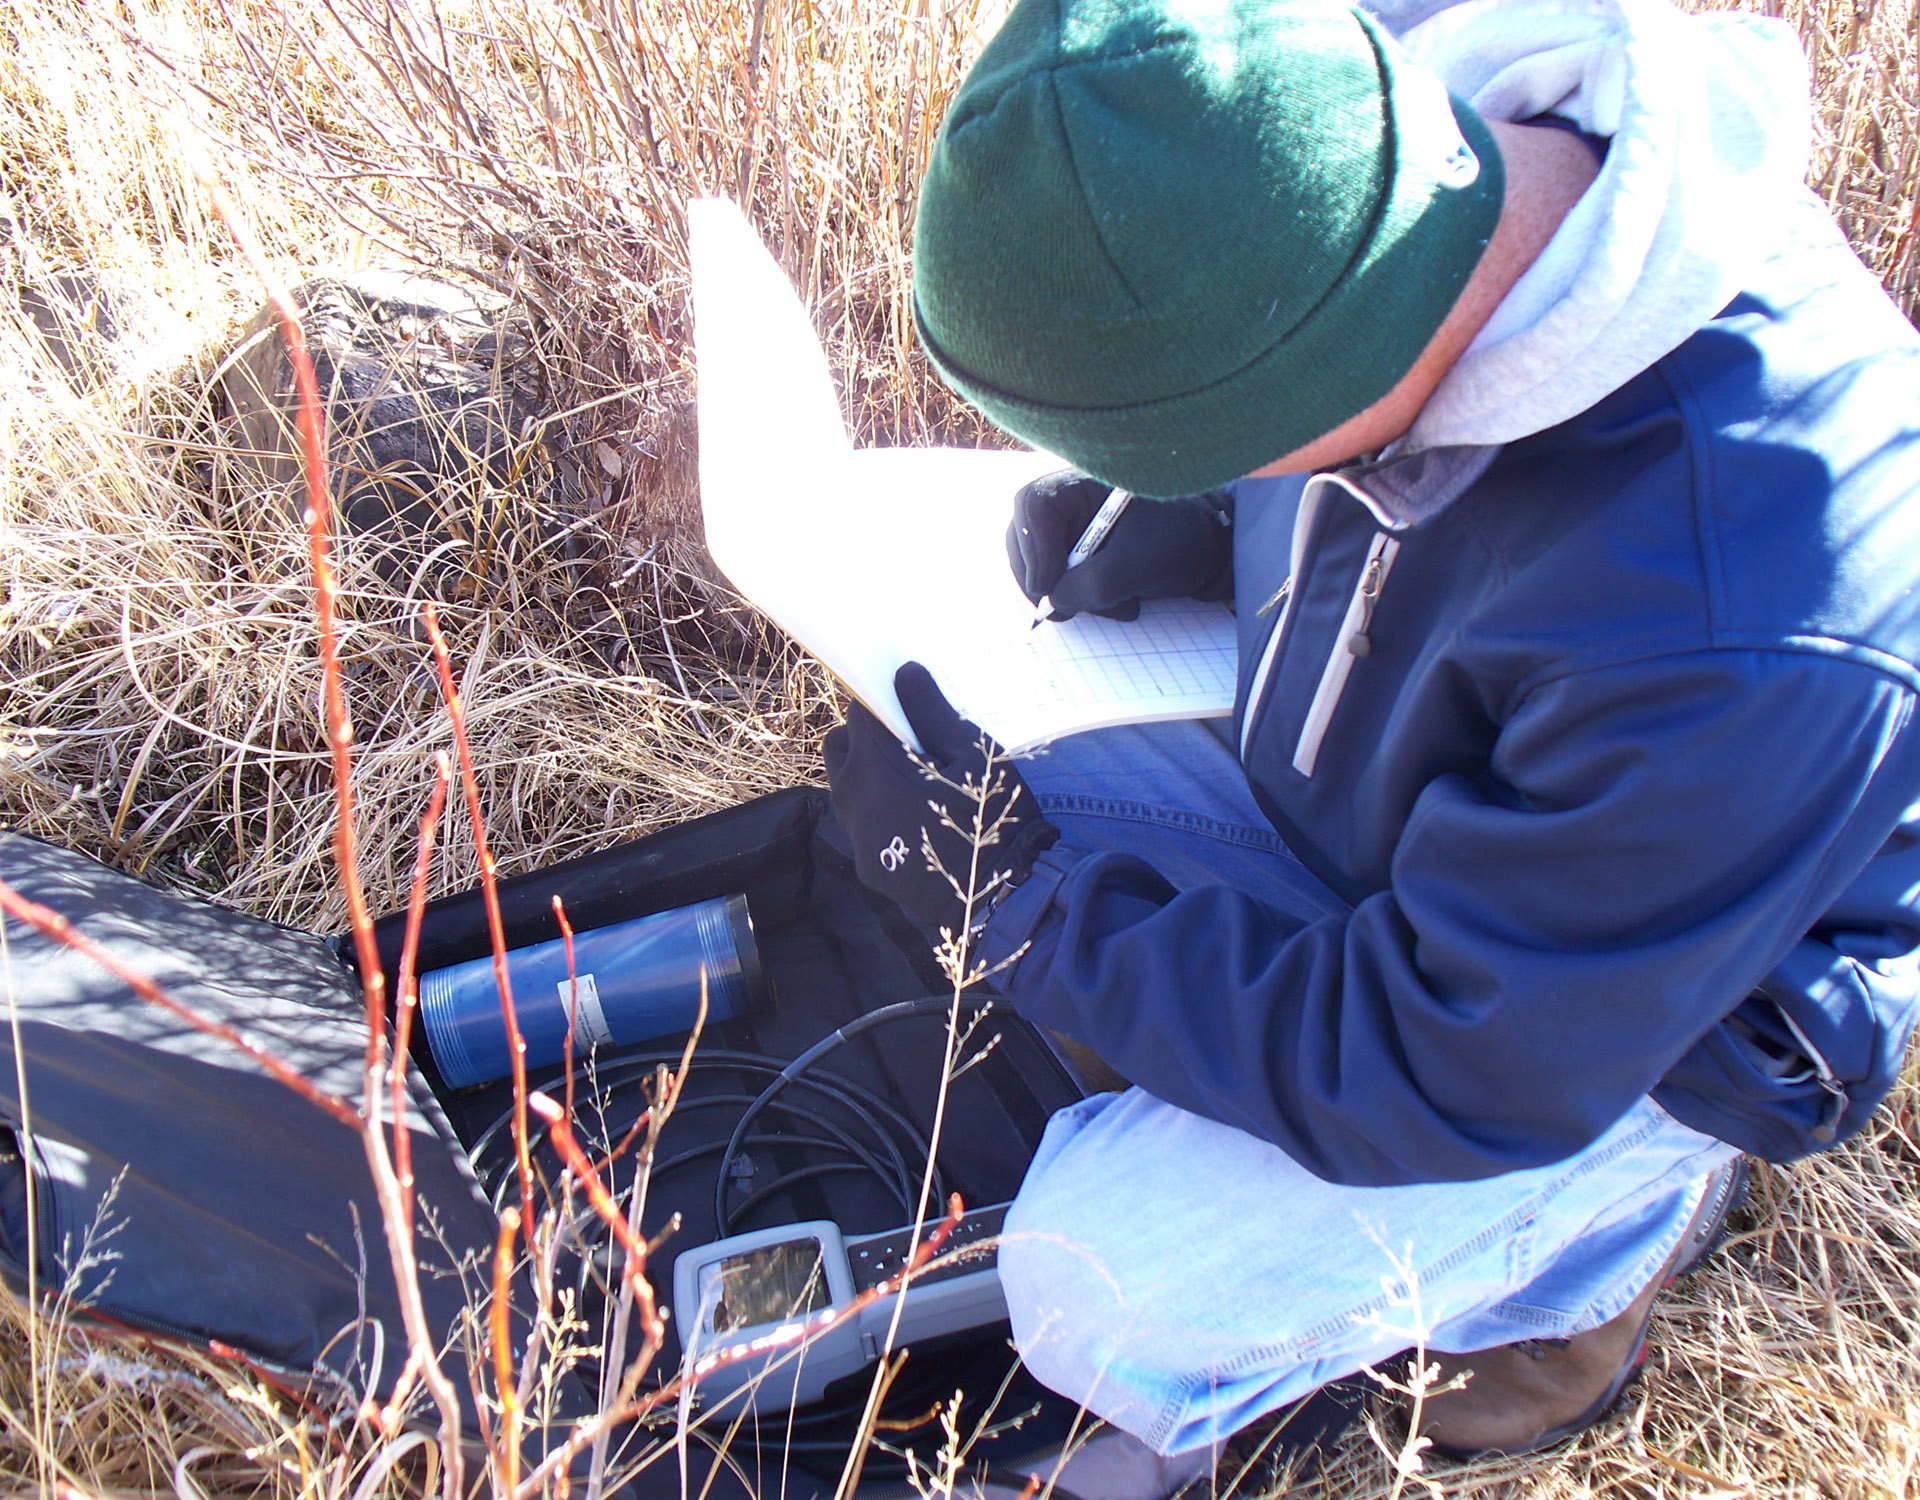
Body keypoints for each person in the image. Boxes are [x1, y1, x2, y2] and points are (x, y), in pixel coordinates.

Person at [823, 0, 1920, 1474]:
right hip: (1398, 811)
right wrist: (1190, 512)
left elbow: (1443, 1063)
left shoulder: (1752, 606)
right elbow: (1360, 423)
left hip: (1632, 1030)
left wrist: (1022, 917)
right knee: (948, 726)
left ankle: (1586, 1269)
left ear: (1322, 379)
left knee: (1092, 1285)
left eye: (1200, 439)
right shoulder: (1353, 119)